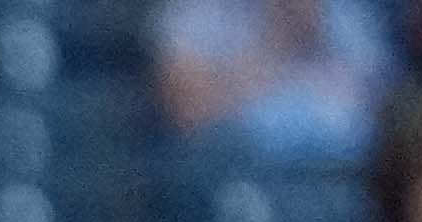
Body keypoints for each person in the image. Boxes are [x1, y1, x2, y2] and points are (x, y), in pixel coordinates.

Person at [158, 0, 391, 164]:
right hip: (238, 183)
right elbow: (186, 113)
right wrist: (277, 45)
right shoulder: (200, 12)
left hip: (342, 178)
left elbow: (385, 112)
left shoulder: (352, 16)